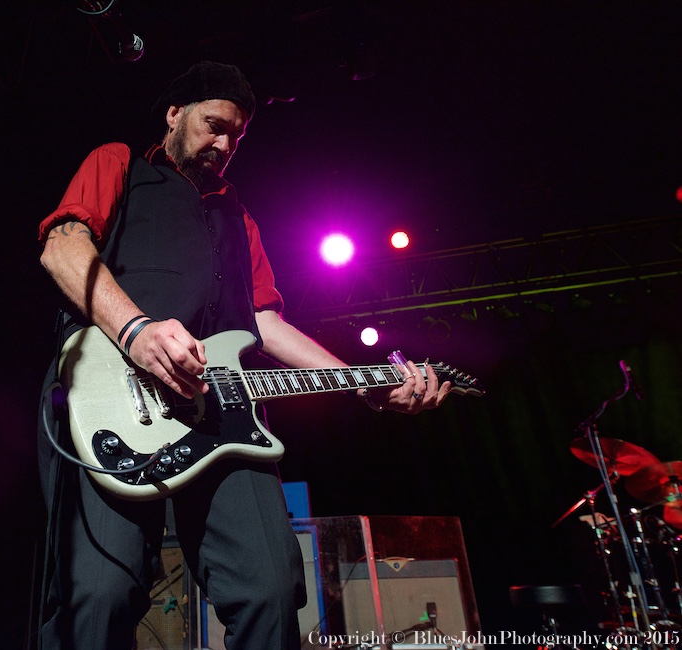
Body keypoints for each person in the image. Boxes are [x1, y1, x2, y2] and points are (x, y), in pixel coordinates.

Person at [36, 61, 453, 650]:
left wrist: (364, 381)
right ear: (175, 114)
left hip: (223, 412)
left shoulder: (239, 218)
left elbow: (262, 322)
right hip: (109, 397)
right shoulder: (120, 163)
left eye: (236, 135)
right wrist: (137, 331)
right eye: (213, 125)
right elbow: (63, 248)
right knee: (99, 598)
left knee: (271, 590)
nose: (224, 144)